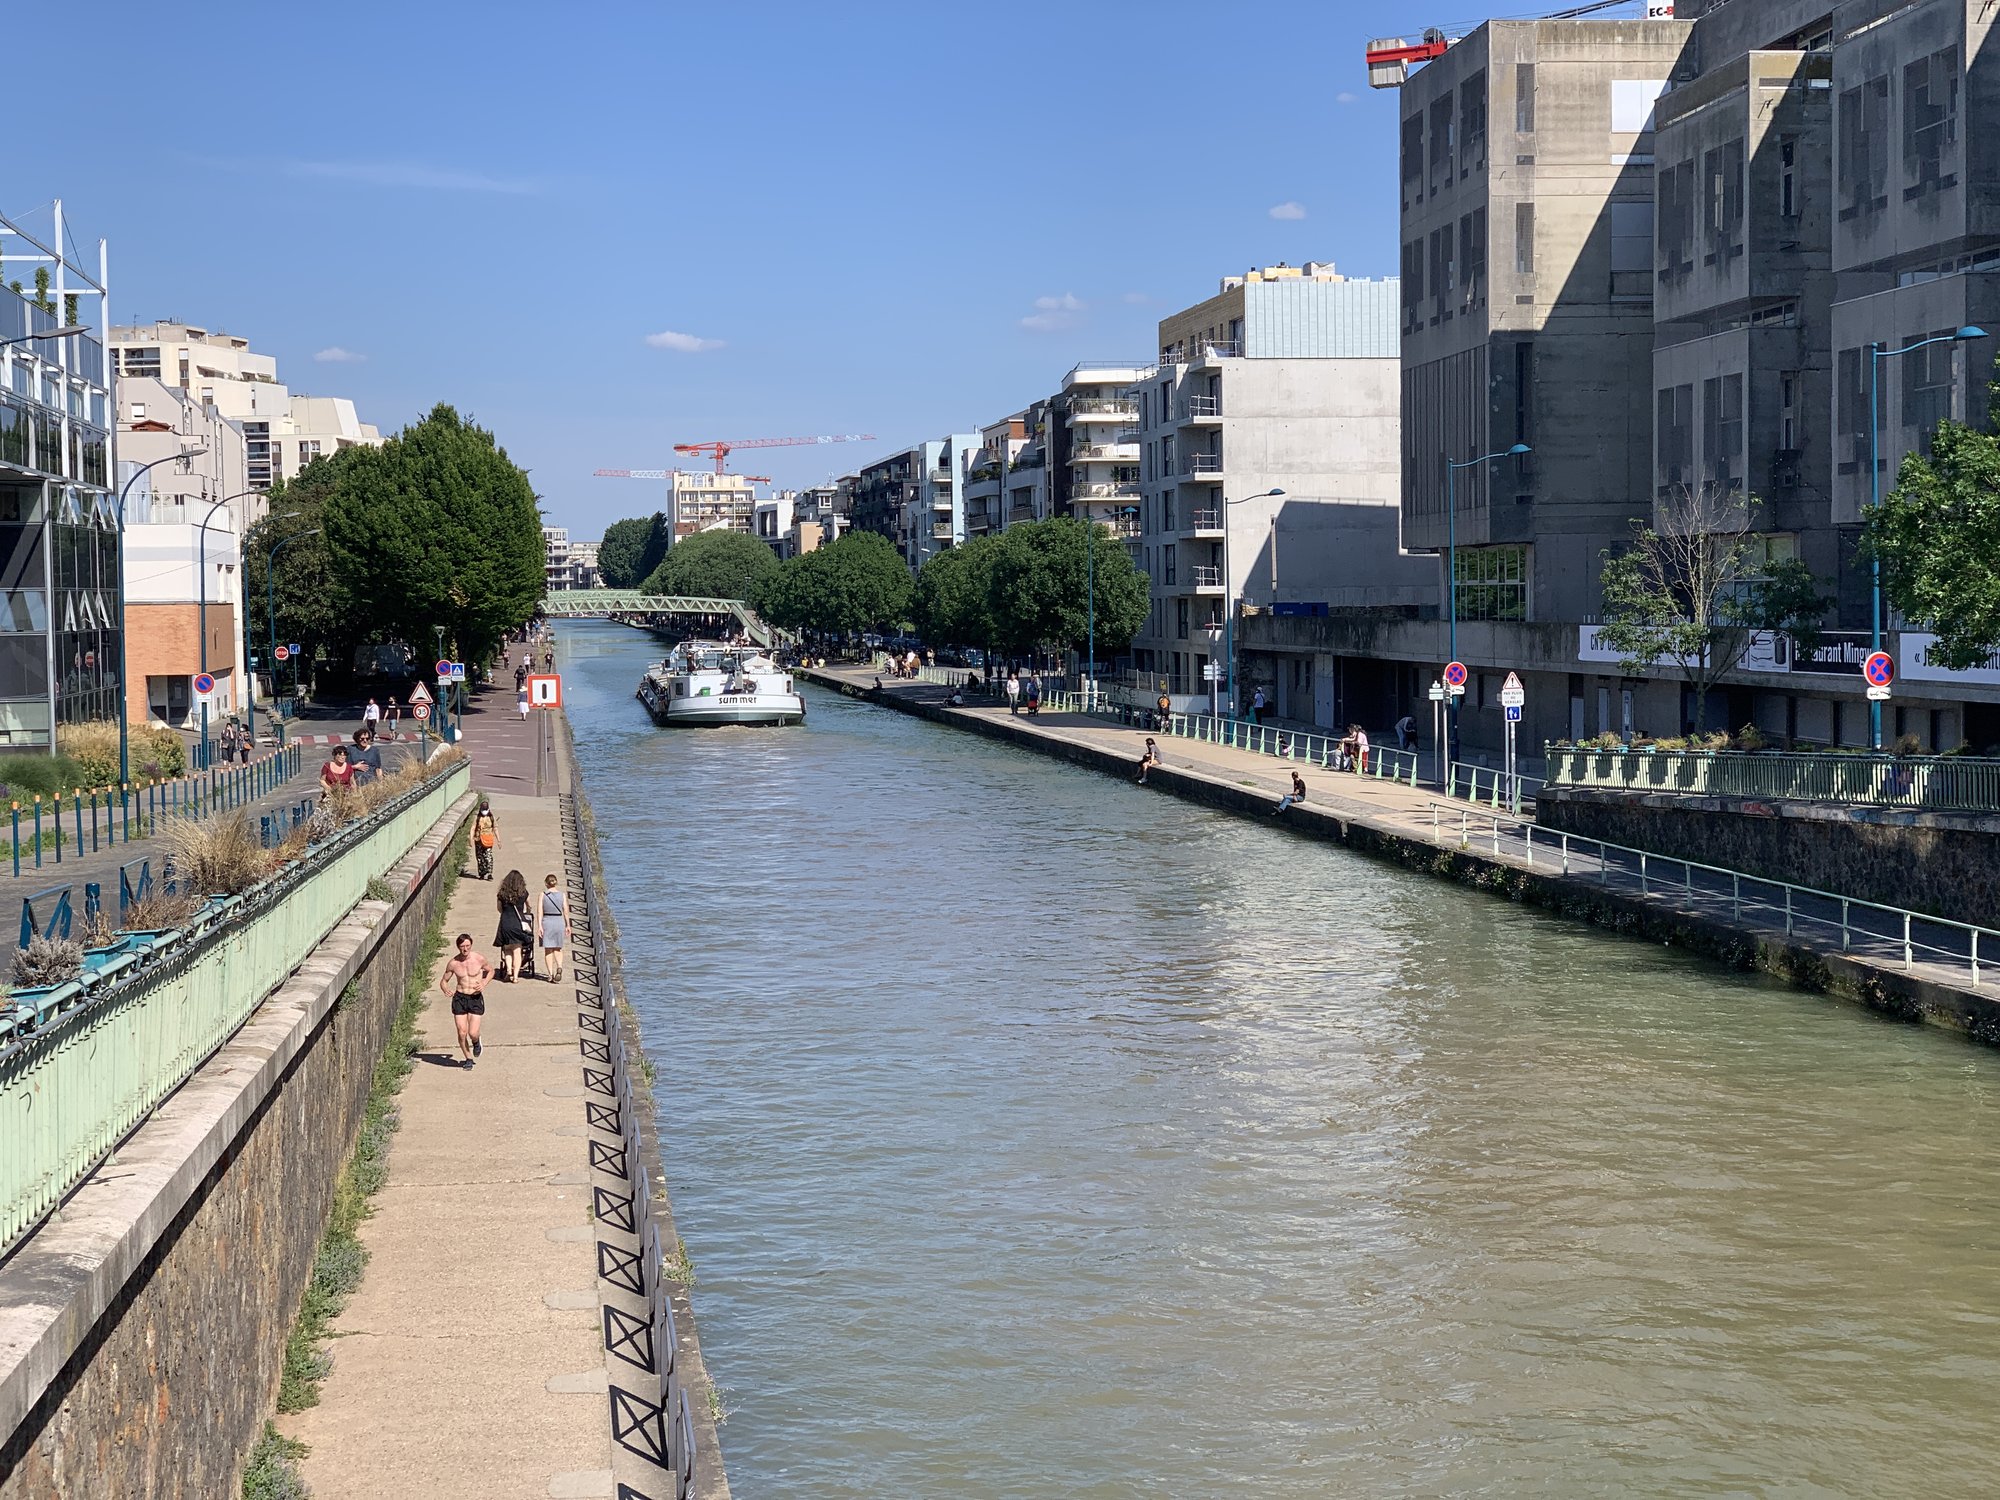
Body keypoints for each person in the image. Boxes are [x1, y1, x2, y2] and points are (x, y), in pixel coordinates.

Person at [438, 934, 493, 1069]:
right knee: (462, 1032)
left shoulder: (479, 959)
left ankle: (476, 1041)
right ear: (458, 947)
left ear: (471, 945)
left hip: (475, 997)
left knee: (472, 1032)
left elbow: (491, 971)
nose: (465, 949)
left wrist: (484, 983)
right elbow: (444, 981)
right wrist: (445, 989)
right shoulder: (454, 963)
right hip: (460, 998)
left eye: (467, 946)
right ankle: (468, 1058)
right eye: (462, 946)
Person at [494, 870, 533, 981]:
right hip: (518, 923)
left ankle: (509, 970)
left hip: (506, 922)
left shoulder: (502, 893)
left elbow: (499, 909)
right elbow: (529, 905)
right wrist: (527, 911)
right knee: (517, 950)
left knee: (507, 949)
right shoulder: (523, 893)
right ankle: (515, 976)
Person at [538, 873, 568, 983]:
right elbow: (566, 911)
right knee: (558, 948)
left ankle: (550, 974)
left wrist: (540, 926)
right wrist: (568, 925)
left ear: (546, 883)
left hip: (547, 921)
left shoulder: (543, 895)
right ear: (556, 883)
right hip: (559, 921)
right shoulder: (562, 895)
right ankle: (559, 966)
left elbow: (540, 911)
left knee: (548, 949)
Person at [473, 801, 498, 881]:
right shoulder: (477, 817)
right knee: (480, 858)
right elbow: (473, 828)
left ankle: (490, 873)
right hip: (478, 840)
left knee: (488, 857)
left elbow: (495, 828)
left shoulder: (491, 817)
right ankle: (482, 873)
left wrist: (499, 840)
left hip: (488, 839)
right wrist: (470, 839)